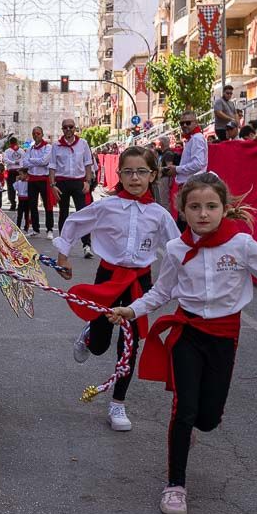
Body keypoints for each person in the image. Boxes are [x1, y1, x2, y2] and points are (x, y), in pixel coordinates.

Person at [108, 172, 257, 514]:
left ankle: (191, 430)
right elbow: (162, 291)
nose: (203, 214)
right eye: (195, 207)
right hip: (187, 333)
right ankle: (175, 484)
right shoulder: (176, 249)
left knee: (207, 419)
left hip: (224, 336)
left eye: (211, 206)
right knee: (183, 409)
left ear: (225, 209)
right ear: (182, 210)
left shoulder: (243, 245)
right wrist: (131, 309)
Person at [55, 146, 180, 432]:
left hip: (140, 283)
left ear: (153, 175)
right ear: (119, 175)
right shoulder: (106, 206)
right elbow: (75, 222)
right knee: (100, 345)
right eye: (128, 171)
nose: (135, 178)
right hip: (108, 278)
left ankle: (118, 403)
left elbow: (177, 249)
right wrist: (63, 256)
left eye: (141, 172)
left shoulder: (159, 215)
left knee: (130, 343)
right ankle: (90, 336)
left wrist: (192, 275)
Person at [50, 119, 95, 257]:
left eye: (71, 127)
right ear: (62, 129)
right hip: (62, 183)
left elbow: (88, 164)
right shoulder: (56, 146)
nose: (68, 129)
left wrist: (88, 182)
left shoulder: (83, 144)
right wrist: (53, 186)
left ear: (75, 128)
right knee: (63, 214)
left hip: (78, 182)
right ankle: (64, 245)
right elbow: (52, 167)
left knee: (82, 213)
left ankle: (86, 245)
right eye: (65, 127)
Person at [161, 111, 208, 229]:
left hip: (192, 185)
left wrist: (177, 169)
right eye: (182, 123)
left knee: (187, 221)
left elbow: (198, 163)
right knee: (185, 220)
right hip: (189, 184)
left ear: (196, 123)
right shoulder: (193, 139)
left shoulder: (197, 139)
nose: (184, 126)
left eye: (188, 123)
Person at [23, 125, 55, 237]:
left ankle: (50, 229)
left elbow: (45, 161)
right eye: (34, 134)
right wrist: (36, 161)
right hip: (32, 179)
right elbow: (25, 163)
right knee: (32, 205)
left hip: (43, 178)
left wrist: (31, 160)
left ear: (42, 135)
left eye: (38, 133)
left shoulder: (48, 147)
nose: (36, 135)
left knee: (48, 205)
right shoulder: (30, 148)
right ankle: (36, 229)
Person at [2, 136, 22, 210]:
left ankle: (13, 204)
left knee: (11, 189)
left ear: (10, 143)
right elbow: (24, 160)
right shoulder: (21, 151)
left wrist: (13, 163)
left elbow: (5, 160)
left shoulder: (7, 151)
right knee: (20, 188)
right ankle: (20, 204)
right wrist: (17, 163)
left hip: (11, 172)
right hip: (20, 172)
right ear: (16, 142)